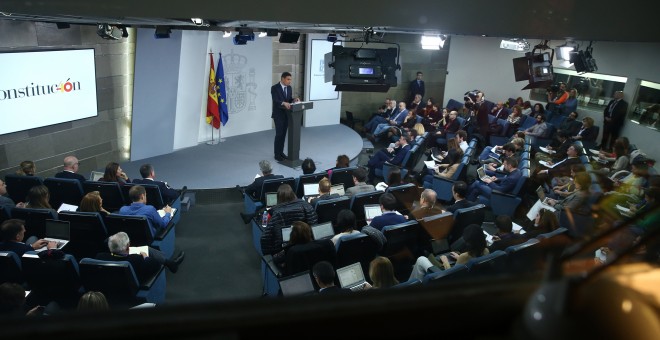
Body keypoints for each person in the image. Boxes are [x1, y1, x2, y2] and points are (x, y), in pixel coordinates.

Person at [408, 224, 488, 281]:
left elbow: (451, 275)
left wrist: (445, 261)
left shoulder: (464, 256)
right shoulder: (486, 250)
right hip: (470, 279)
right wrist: (458, 258)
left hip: (451, 281)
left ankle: (410, 286)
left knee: (421, 259)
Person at [96, 232, 177, 284]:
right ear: (128, 245)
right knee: (148, 251)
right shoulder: (136, 259)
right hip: (132, 286)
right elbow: (156, 265)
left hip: (111, 285)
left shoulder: (100, 257)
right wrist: (145, 257)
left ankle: (169, 262)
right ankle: (170, 263)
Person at [260, 184, 317, 255]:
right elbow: (314, 224)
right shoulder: (306, 206)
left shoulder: (275, 213)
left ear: (278, 197)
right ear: (293, 194)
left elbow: (265, 237)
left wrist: (268, 255)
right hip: (306, 243)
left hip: (284, 249)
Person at [271, 72, 299, 161]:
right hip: (278, 115)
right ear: (282, 79)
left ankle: (281, 152)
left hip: (287, 115)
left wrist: (294, 99)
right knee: (279, 135)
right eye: (288, 79)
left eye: (290, 79)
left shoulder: (289, 88)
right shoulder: (274, 88)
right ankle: (277, 154)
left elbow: (289, 99)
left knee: (283, 135)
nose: (290, 81)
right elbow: (275, 100)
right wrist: (283, 103)